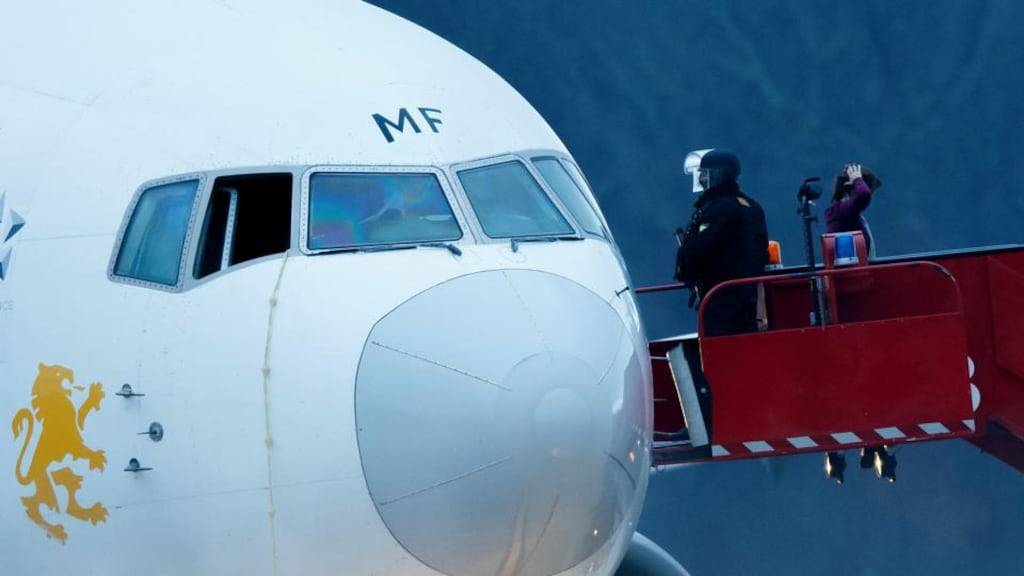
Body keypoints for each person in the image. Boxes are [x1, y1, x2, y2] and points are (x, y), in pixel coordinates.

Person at [674, 148, 768, 337]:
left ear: (718, 174)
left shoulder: (718, 209)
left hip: (720, 300)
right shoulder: (751, 206)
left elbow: (700, 249)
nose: (701, 179)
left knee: (719, 348)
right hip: (748, 300)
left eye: (705, 174)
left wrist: (684, 268)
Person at [824, 163, 882, 258]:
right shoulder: (842, 211)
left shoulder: (846, 211)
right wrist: (857, 179)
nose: (871, 194)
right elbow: (864, 195)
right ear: (854, 189)